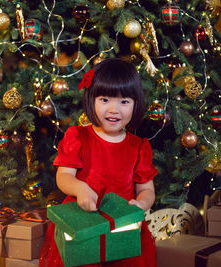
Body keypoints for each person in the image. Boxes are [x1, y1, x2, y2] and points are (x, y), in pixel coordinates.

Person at [39, 58, 158, 267]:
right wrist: (80, 188)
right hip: (83, 219)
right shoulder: (79, 136)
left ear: (136, 104)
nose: (113, 109)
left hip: (122, 222)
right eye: (104, 100)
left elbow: (147, 189)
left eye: (124, 102)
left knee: (130, 260)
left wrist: (141, 204)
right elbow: (64, 176)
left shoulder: (138, 146)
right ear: (91, 99)